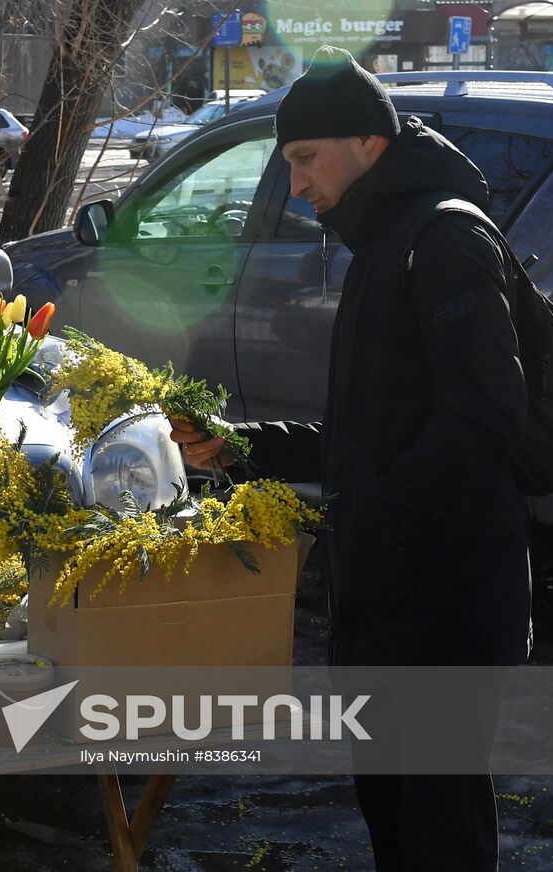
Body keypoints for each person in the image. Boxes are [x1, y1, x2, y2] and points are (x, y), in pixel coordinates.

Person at [170, 47, 530, 870]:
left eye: (304, 158)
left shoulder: (443, 237)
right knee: (394, 822)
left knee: (442, 837)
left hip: (443, 611)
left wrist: (379, 521)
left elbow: (486, 418)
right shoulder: (382, 242)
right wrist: (239, 446)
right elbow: (363, 435)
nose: (295, 185)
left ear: (369, 141)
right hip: (387, 599)